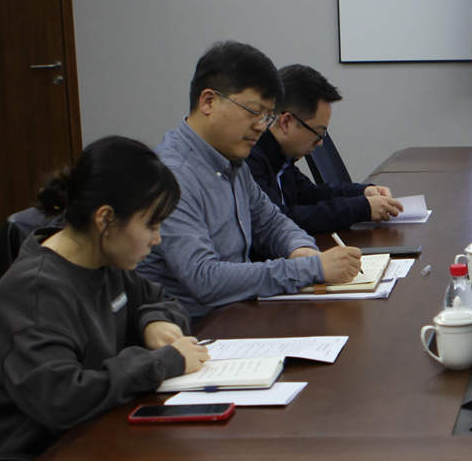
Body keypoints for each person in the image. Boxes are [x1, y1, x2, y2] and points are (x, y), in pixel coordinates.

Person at [0, 136, 208, 459]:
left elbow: (159, 299)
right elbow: (61, 399)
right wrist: (162, 362)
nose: (157, 239)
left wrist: (154, 320)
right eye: (151, 225)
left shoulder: (103, 262)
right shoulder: (34, 292)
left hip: (90, 441)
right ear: (105, 219)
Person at [139, 41, 363, 319]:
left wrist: (302, 250)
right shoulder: (173, 176)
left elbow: (271, 222)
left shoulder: (232, 160)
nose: (261, 126)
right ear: (208, 102)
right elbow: (205, 279)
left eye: (267, 115)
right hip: (194, 329)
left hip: (237, 314)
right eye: (253, 112)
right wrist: (310, 268)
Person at [248, 63, 400, 231]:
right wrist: (361, 208)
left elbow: (310, 195)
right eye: (318, 133)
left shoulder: (281, 157)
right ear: (286, 122)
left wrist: (363, 192)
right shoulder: (250, 159)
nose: (320, 143)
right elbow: (280, 220)